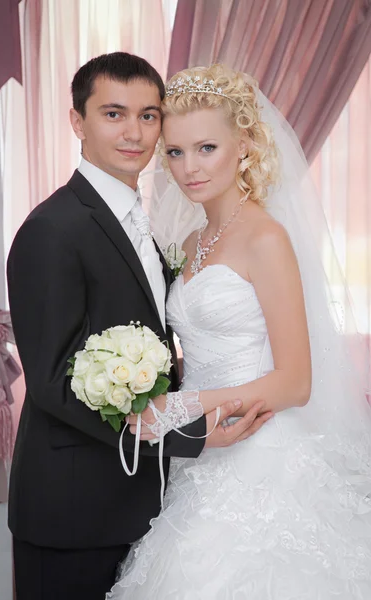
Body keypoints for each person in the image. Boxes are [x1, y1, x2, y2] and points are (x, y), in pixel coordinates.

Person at [6, 53, 270, 600]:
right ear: (78, 122)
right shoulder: (52, 229)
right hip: (74, 515)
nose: (134, 133)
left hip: (145, 505)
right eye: (113, 114)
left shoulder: (139, 219)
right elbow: (55, 383)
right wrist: (186, 433)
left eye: (149, 116)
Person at [107, 64, 371, 599]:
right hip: (204, 450)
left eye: (206, 148)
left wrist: (190, 404)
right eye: (175, 152)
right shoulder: (192, 240)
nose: (188, 168)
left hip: (261, 450)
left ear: (244, 147)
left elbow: (296, 381)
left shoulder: (265, 237)